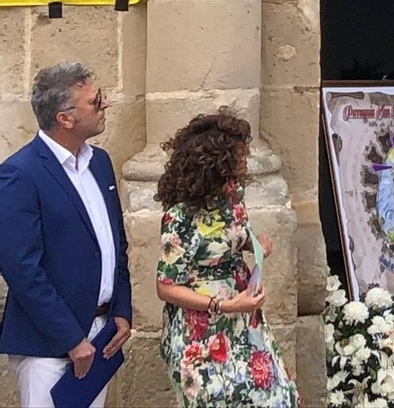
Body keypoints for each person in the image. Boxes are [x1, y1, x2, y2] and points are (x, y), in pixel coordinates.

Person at [0, 63, 132, 408]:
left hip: (99, 335)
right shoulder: (21, 173)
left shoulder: (99, 162)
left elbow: (114, 243)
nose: (105, 106)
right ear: (65, 119)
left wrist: (121, 308)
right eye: (95, 101)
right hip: (50, 345)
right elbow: (20, 267)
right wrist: (72, 339)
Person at [154, 112, 297, 407]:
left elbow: (233, 235)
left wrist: (253, 244)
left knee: (275, 397)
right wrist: (224, 305)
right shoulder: (179, 217)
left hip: (244, 319)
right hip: (202, 329)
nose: (245, 160)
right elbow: (166, 287)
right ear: (216, 163)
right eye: (238, 156)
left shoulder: (232, 195)